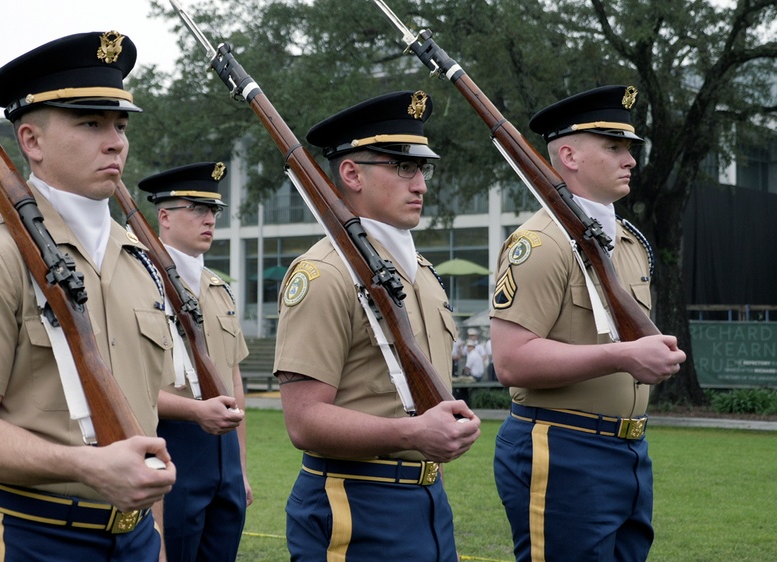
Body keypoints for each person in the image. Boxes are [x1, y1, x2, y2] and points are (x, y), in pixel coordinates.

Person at [0, 31, 176, 561]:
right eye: (90, 123)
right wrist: (86, 466)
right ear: (31, 141)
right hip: (26, 536)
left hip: (136, 539)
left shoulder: (138, 260)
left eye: (120, 125)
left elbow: (142, 419)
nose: (116, 141)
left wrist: (154, 532)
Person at [274, 91, 481, 561]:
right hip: (354, 506)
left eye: (423, 169)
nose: (421, 185)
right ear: (352, 173)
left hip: (427, 503)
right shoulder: (324, 273)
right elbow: (304, 421)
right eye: (402, 167)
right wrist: (412, 435)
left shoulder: (422, 274)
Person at [490, 85, 687, 562]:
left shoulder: (630, 242)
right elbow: (512, 361)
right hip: (561, 448)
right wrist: (622, 356)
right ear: (569, 155)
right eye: (614, 147)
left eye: (629, 148)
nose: (631, 160)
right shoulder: (539, 243)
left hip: (629, 449)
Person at [138, 162, 250, 562]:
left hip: (224, 461)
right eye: (197, 209)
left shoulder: (217, 289)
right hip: (172, 447)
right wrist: (194, 410)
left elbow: (234, 378)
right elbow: (127, 383)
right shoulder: (139, 284)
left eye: (213, 211)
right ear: (164, 217)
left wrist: (240, 469)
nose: (209, 220)